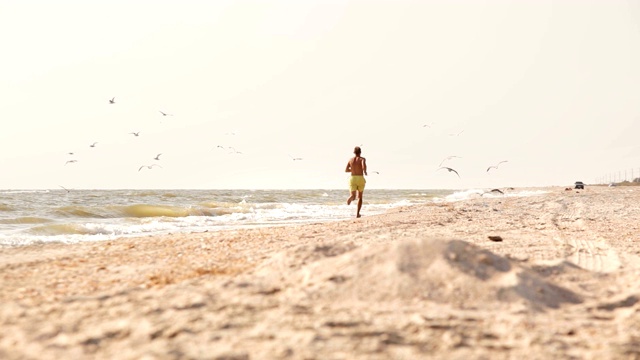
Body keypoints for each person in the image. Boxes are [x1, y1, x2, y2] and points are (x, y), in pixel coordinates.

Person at [345, 146, 367, 218]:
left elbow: (346, 170)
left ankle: (350, 197)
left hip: (352, 178)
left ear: (354, 152)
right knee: (360, 197)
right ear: (360, 152)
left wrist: (353, 169)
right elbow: (363, 166)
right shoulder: (362, 159)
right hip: (360, 178)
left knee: (353, 196)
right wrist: (364, 171)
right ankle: (357, 214)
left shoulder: (350, 160)